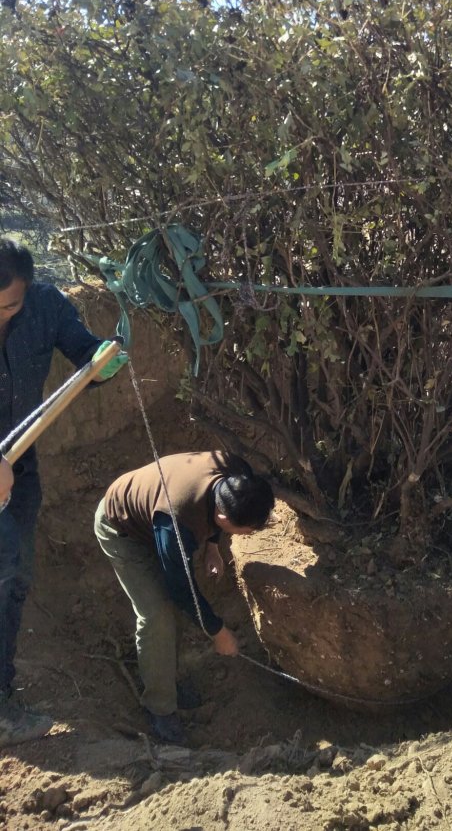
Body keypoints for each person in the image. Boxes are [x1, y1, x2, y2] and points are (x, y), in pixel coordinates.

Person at [0, 238, 128, 746]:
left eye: (9, 306)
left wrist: (100, 360)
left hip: (20, 468)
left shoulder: (47, 305)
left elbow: (83, 353)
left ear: (27, 291)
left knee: (15, 579)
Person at [94, 450, 275, 745]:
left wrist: (213, 547)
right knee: (158, 614)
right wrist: (217, 631)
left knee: (171, 608)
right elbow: (181, 588)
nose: (249, 534)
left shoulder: (235, 473)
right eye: (246, 530)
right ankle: (160, 707)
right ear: (222, 517)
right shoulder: (177, 520)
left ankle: (167, 680)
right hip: (121, 529)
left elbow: (218, 516)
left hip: (154, 516)